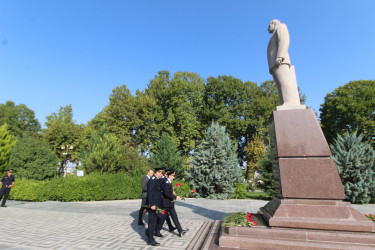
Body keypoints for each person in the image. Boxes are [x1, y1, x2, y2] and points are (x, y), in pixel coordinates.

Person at [267, 19, 301, 108]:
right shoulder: (274, 33)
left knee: (285, 81)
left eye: (269, 26)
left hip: (280, 61)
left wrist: (280, 56)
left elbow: (284, 40)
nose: (268, 28)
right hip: (274, 64)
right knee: (280, 85)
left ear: (273, 24)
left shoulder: (281, 27)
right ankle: (285, 102)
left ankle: (289, 102)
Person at [159, 170, 188, 237]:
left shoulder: (169, 182)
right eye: (172, 176)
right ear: (169, 176)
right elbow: (166, 193)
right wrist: (175, 197)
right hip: (166, 204)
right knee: (162, 219)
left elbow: (169, 192)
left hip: (170, 203)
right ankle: (153, 230)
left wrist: (173, 199)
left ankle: (180, 231)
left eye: (174, 176)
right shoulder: (166, 182)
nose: (173, 177)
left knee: (175, 217)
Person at [145, 167, 165, 246]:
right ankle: (150, 240)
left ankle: (148, 232)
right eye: (161, 173)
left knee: (157, 219)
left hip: (157, 204)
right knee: (152, 222)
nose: (162, 174)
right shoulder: (152, 180)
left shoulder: (157, 179)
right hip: (153, 204)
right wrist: (151, 204)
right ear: (157, 172)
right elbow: (149, 193)